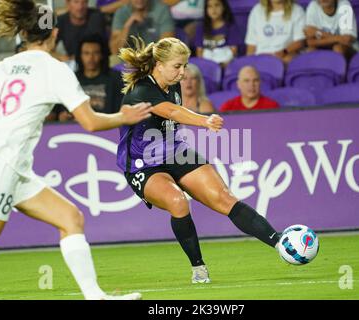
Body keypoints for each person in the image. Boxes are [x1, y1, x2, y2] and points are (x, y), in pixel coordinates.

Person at [0, 0, 152, 300]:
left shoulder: (4, 66)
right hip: (2, 169)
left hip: (11, 169)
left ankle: (96, 296)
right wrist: (124, 116)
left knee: (71, 218)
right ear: (54, 33)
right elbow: (91, 122)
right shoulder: (55, 70)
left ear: (23, 33)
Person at [117, 36, 282, 283]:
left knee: (224, 198)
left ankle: (280, 243)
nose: (183, 73)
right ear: (158, 65)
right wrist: (204, 120)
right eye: (177, 66)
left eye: (185, 66)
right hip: (143, 162)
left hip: (175, 151)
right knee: (177, 201)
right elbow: (172, 111)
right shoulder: (141, 91)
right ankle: (198, 268)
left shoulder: (172, 83)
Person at [55, 34, 124, 121]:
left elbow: (121, 112)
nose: (91, 58)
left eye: (95, 53)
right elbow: (62, 111)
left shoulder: (116, 79)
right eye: (86, 53)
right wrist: (63, 116)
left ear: (102, 55)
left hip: (108, 129)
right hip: (74, 129)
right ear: (80, 56)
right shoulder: (71, 80)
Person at [110, 0, 175, 55]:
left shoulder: (162, 9)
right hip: (129, 58)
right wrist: (127, 25)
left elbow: (166, 45)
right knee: (114, 60)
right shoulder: (121, 12)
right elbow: (115, 50)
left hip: (155, 57)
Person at [195, 0, 242, 66]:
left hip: (226, 65)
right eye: (210, 6)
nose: (213, 9)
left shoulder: (231, 27)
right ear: (206, 9)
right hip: (207, 65)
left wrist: (221, 66)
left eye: (217, 5)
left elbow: (233, 51)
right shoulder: (200, 27)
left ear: (223, 7)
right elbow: (199, 52)